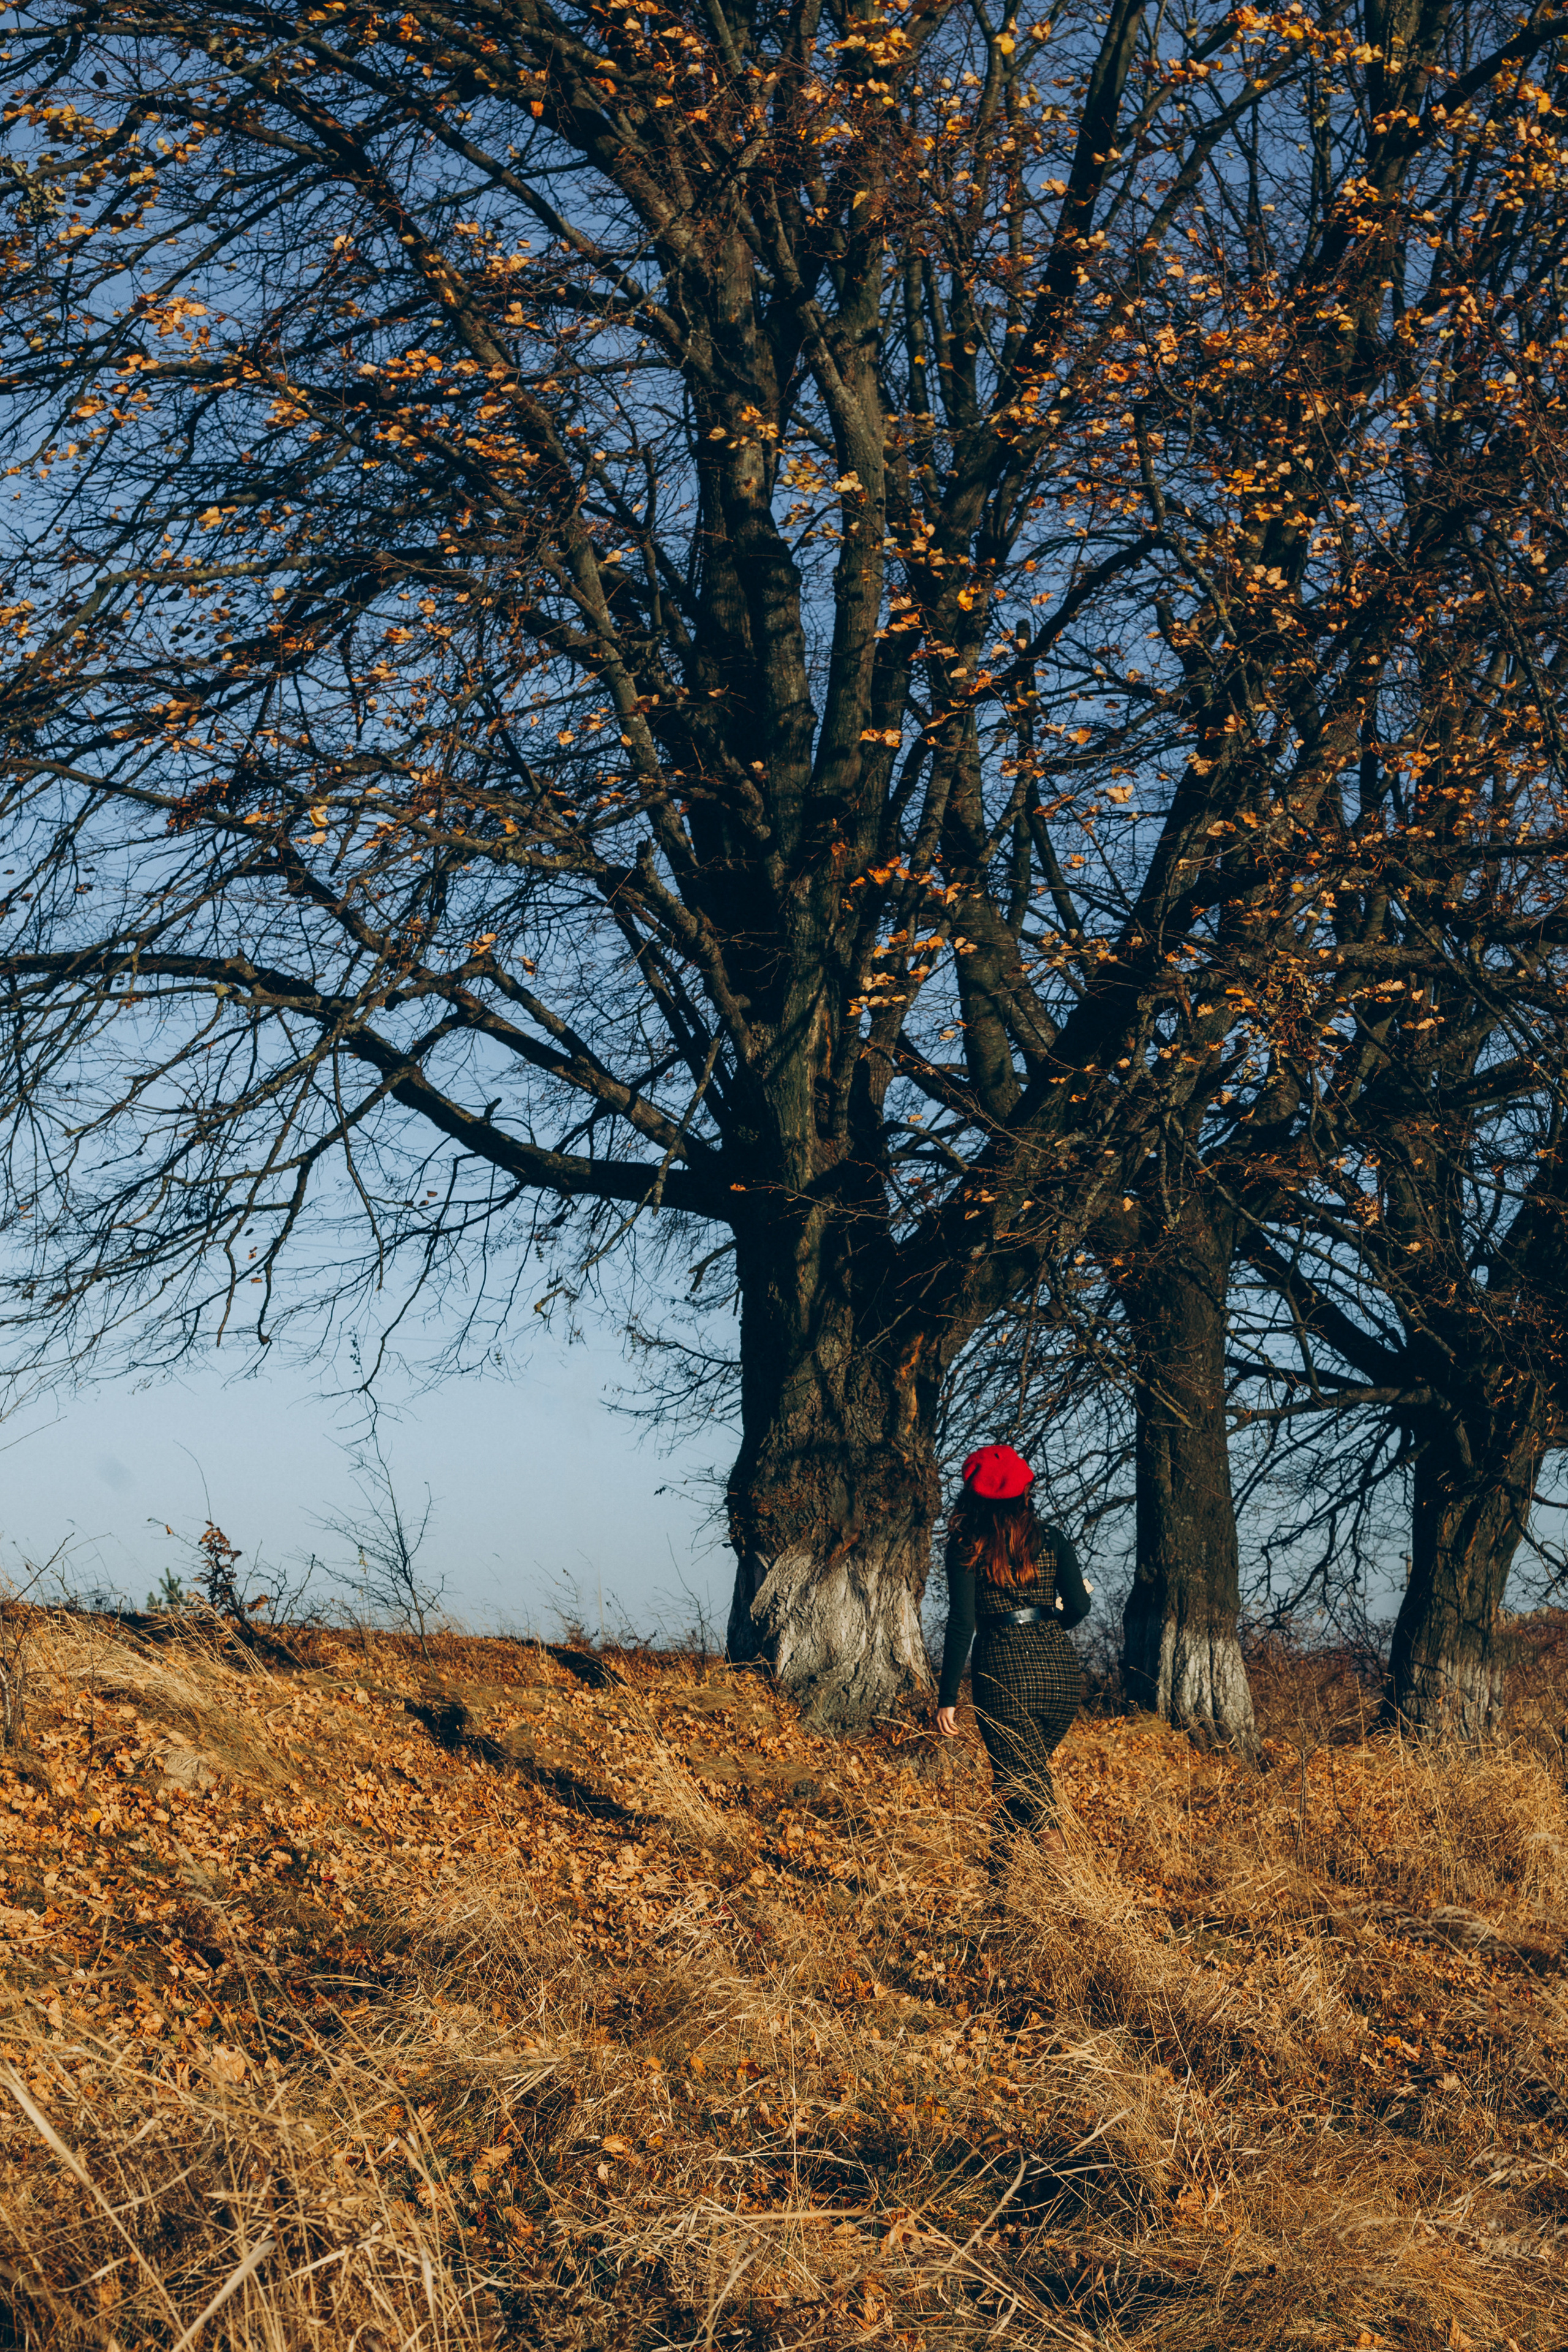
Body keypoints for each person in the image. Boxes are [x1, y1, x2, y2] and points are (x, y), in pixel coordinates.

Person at [935, 1443, 1093, 1882]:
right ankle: (998, 1886)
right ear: (1025, 1490)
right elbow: (1079, 1606)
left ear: (973, 1494)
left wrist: (947, 1697)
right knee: (1014, 1778)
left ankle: (1072, 1895)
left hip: (1004, 1672)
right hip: (1060, 1673)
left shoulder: (966, 1546)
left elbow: (962, 1622)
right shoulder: (1052, 1539)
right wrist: (1050, 1622)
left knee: (1025, 1782)